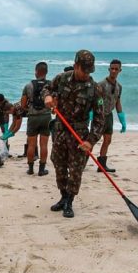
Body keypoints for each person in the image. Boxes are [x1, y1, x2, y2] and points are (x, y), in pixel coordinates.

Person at [42, 50, 105, 218]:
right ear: (76, 65)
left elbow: (100, 119)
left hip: (80, 135)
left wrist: (91, 141)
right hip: (60, 130)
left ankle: (70, 201)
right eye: (84, 70)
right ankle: (63, 197)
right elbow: (46, 88)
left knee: (76, 170)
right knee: (59, 165)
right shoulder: (62, 78)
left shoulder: (95, 89)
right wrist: (47, 97)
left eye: (89, 71)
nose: (87, 74)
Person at [21, 61, 52, 176]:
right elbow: (54, 103)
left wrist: (27, 109)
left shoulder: (28, 85)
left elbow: (23, 104)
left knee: (31, 145)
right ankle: (42, 169)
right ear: (46, 72)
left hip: (33, 117)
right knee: (44, 144)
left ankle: (30, 168)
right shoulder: (51, 85)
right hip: (46, 116)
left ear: (36, 72)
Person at [96, 59, 127, 173]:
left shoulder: (119, 87)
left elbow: (118, 102)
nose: (114, 71)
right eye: (112, 68)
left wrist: (122, 120)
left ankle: (102, 165)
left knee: (107, 140)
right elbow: (96, 101)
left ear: (120, 70)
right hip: (99, 116)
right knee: (93, 140)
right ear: (109, 69)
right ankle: (82, 162)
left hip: (109, 116)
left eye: (116, 69)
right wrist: (92, 116)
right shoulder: (101, 84)